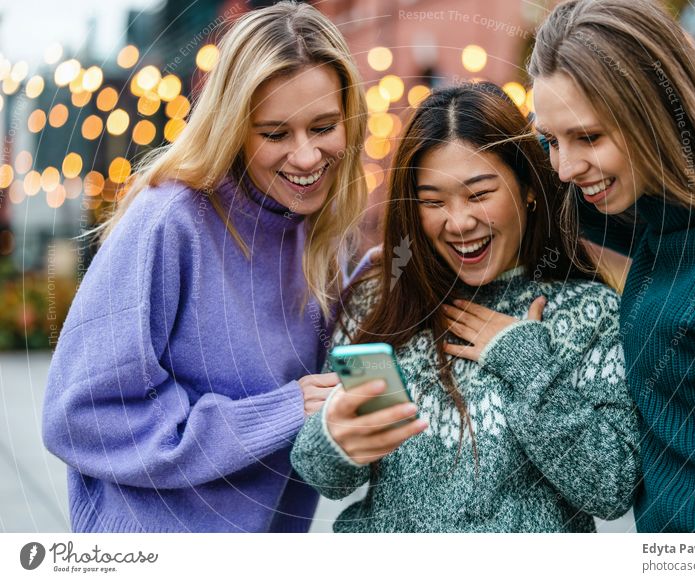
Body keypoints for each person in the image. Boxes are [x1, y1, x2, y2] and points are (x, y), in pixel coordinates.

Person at [42, 1, 368, 532]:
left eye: (324, 126)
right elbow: (79, 417)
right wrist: (282, 412)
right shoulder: (170, 221)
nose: (307, 156)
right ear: (233, 126)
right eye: (275, 133)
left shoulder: (323, 234)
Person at [290, 83, 639, 532]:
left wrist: (526, 362)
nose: (458, 223)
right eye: (433, 201)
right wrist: (333, 437)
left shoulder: (587, 313)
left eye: (479, 194)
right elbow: (329, 480)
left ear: (529, 188)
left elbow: (611, 488)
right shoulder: (381, 303)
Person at [529, 0, 695, 532]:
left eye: (588, 137)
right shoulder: (655, 222)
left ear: (653, 113)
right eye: (553, 139)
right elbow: (521, 166)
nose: (563, 167)